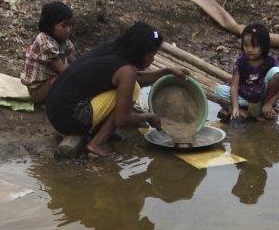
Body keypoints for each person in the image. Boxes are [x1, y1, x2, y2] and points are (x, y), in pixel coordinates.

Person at [45, 21, 188, 158]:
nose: (153, 60)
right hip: (68, 119)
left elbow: (135, 77)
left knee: (131, 87)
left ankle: (99, 131)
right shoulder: (126, 71)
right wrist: (149, 116)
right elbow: (122, 119)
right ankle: (97, 143)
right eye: (151, 56)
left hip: (54, 108)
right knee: (133, 91)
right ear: (139, 53)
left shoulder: (113, 48)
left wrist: (167, 72)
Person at [218, 22, 279, 122]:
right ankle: (254, 106)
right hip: (244, 95)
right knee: (219, 91)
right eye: (246, 45)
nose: (249, 50)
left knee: (277, 72)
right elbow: (234, 86)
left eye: (254, 46)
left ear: (263, 46)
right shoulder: (240, 62)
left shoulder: (269, 61)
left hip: (263, 94)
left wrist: (270, 103)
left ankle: (264, 105)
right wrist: (235, 107)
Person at [20, 1, 77, 106]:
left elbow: (73, 59)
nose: (68, 29)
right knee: (65, 79)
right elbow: (63, 70)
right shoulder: (44, 41)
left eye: (70, 25)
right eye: (64, 26)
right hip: (37, 90)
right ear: (50, 27)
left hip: (49, 81)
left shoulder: (64, 40)